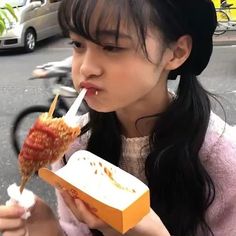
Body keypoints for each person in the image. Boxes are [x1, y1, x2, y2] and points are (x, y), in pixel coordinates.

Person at [1, 0, 236, 235]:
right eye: (77, 44)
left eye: (112, 47)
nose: (86, 68)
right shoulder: (75, 148)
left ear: (176, 52)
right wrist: (47, 227)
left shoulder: (222, 160)